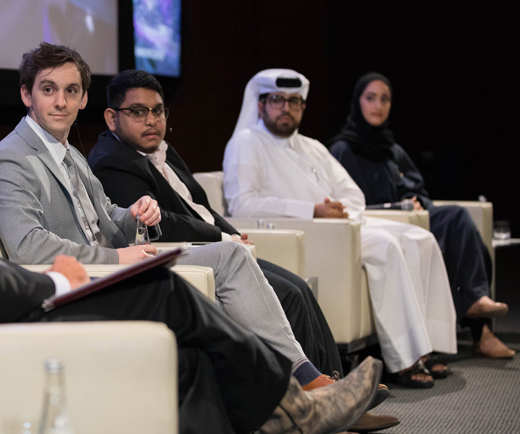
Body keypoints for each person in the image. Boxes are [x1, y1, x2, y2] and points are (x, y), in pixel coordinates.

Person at [0, 22, 382, 434]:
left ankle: (282, 408)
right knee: (160, 291)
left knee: (178, 332)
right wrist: (58, 282)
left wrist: (126, 228)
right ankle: (295, 405)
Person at [0, 43, 355, 398]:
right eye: (48, 89)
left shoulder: (71, 154)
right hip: (83, 283)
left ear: (83, 99)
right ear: (27, 95)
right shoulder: (9, 159)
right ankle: (294, 390)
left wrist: (136, 212)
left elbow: (106, 214)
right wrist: (116, 259)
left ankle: (303, 376)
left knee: (232, 256)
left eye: (71, 90)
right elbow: (27, 246)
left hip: (119, 266)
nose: (61, 101)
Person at [88, 69, 344, 376]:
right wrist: (222, 237)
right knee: (288, 294)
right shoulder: (112, 161)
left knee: (299, 286)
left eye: (157, 111)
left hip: (217, 247)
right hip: (186, 256)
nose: (152, 120)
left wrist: (233, 233)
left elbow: (200, 207)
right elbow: (158, 225)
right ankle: (314, 394)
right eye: (138, 112)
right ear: (111, 118)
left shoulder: (160, 150)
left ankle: (335, 383)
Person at [223, 69, 458, 389]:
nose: (286, 108)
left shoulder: (312, 146)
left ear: (303, 107)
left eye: (294, 101)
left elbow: (353, 194)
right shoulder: (247, 142)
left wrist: (339, 212)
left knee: (421, 237)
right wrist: (314, 211)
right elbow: (243, 205)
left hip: (339, 229)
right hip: (307, 234)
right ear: (261, 104)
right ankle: (403, 360)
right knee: (388, 244)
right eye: (277, 100)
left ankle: (428, 346)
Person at [328, 72, 515, 359]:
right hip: (377, 222)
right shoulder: (342, 150)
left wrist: (414, 203)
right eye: (371, 98)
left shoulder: (392, 150)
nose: (378, 105)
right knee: (445, 238)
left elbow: (416, 188)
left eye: (385, 99)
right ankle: (480, 327)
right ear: (357, 103)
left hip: (410, 217)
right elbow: (347, 202)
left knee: (457, 219)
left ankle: (478, 307)